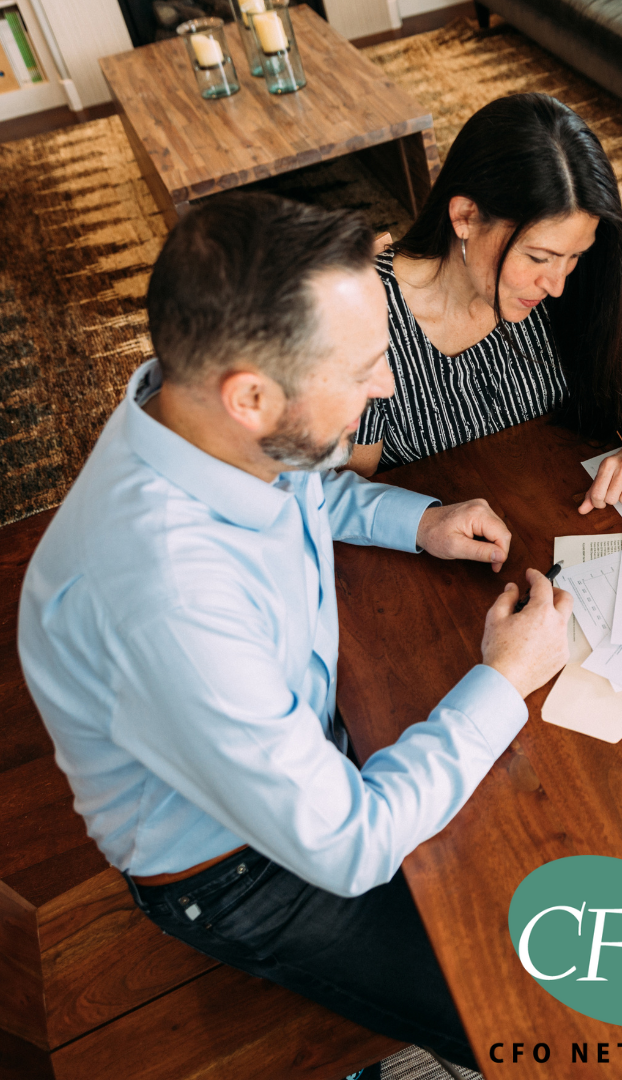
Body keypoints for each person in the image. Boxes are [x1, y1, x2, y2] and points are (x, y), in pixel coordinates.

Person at [17, 193, 573, 1074]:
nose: (387, 385)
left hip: (311, 747)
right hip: (234, 871)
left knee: (555, 843)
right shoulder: (164, 593)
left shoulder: (201, 424)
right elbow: (346, 842)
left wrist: (418, 521)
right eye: (362, 369)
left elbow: (306, 477)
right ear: (250, 395)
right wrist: (503, 680)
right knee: (538, 1005)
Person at [346, 93, 622, 516]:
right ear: (465, 216)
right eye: (538, 257)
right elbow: (345, 492)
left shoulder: (575, 274)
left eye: (573, 256)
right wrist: (427, 521)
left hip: (562, 514)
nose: (556, 285)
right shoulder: (363, 317)